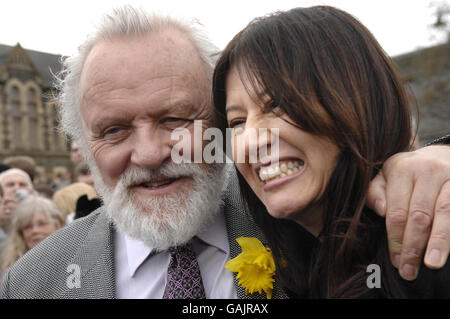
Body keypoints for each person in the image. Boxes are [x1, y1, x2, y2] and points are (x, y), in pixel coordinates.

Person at [1, 5, 450, 299]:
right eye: (114, 130)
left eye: (175, 119)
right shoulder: (31, 283)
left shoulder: (305, 218)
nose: (151, 153)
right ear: (83, 143)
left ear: (217, 120)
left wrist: (432, 159)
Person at [212, 6, 450, 297]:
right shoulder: (296, 270)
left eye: (276, 104)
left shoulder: (432, 240)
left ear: (354, 98)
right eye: (237, 121)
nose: (249, 141)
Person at [0, 195, 64, 275]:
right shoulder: (11, 273)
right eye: (28, 227)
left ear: (57, 225)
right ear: (20, 233)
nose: (35, 230)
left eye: (42, 224)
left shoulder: (75, 260)